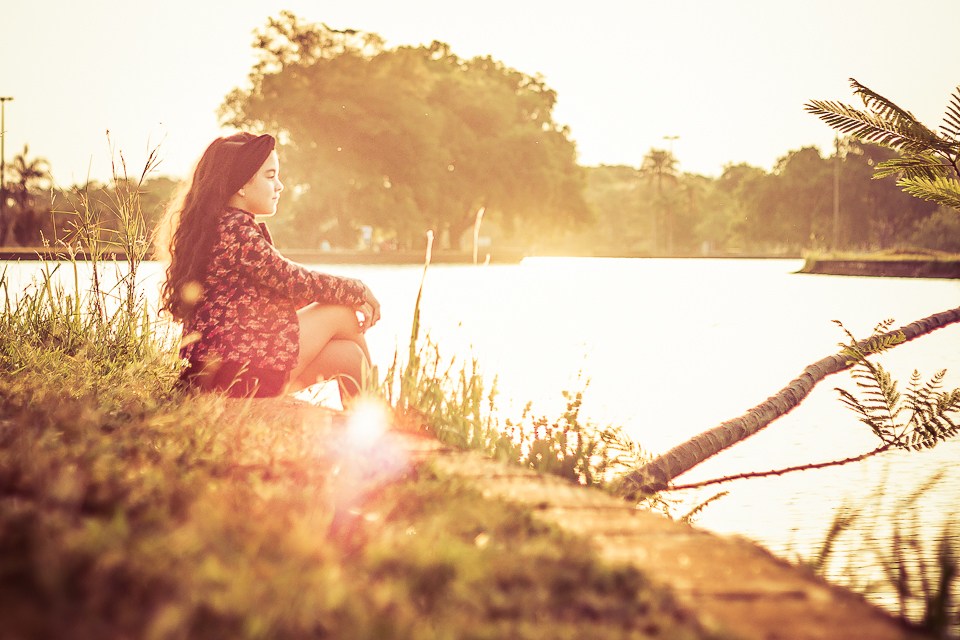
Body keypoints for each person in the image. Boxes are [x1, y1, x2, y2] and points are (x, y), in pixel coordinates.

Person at [155, 132, 380, 401]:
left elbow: (283, 292)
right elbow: (294, 280)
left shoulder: (219, 225)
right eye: (270, 176)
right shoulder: (235, 230)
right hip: (236, 373)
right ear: (241, 184)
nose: (279, 186)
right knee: (340, 312)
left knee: (350, 357)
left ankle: (374, 419)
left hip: (226, 370)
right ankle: (384, 414)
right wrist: (358, 289)